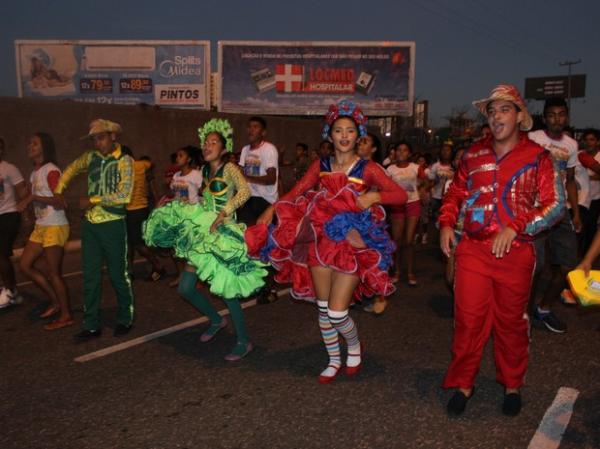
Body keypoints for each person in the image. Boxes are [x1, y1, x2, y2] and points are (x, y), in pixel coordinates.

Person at [246, 100, 407, 383]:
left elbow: (400, 195)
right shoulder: (319, 165)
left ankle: (354, 346)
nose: (344, 136)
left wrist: (374, 196)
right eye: (338, 131)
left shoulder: (367, 168)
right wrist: (273, 207)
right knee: (323, 309)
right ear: (329, 135)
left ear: (358, 135)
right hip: (319, 241)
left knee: (337, 310)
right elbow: (298, 190)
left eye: (350, 131)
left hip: (351, 243)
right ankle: (333, 359)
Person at [439, 85, 564, 416]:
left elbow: (556, 206)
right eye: (492, 111)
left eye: (504, 110)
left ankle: (512, 384)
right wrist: (447, 223)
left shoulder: (539, 157)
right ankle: (464, 383)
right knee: (467, 320)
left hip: (516, 252)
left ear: (521, 116)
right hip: (473, 251)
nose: (496, 116)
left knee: (511, 322)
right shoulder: (472, 155)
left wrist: (516, 227)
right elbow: (454, 194)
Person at [144, 119, 267, 360]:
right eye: (205, 142)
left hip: (224, 235)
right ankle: (215, 320)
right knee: (186, 288)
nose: (208, 145)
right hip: (204, 232)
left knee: (227, 292)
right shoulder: (204, 173)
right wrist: (170, 205)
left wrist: (224, 213)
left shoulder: (229, 168)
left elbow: (244, 192)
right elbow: (201, 201)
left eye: (214, 142)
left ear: (223, 148)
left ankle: (244, 341)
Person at [54, 119, 135, 341]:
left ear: (113, 136)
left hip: (113, 224)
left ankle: (125, 318)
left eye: (101, 137)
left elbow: (124, 196)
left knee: (119, 276)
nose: (97, 143)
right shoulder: (90, 158)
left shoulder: (125, 161)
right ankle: (91, 325)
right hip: (91, 225)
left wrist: (92, 199)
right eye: (94, 139)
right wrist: (59, 189)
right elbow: (71, 169)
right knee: (90, 277)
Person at [528, 97, 580, 333]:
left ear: (566, 117)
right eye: (552, 114)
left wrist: (575, 212)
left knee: (568, 265)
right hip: (536, 209)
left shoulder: (571, 144)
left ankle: (545, 308)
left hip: (561, 210)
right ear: (544, 117)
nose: (556, 119)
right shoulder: (533, 139)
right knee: (535, 266)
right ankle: (525, 311)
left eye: (561, 114)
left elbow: (570, 180)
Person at [16, 132, 73, 329]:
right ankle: (55, 301)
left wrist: (32, 198)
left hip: (55, 224)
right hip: (41, 225)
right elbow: (33, 199)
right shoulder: (34, 172)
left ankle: (66, 315)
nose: (29, 147)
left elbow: (60, 202)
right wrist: (29, 214)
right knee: (24, 265)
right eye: (29, 143)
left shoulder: (52, 171)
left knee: (53, 272)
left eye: (34, 144)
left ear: (44, 148)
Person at [237, 116, 279, 304]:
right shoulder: (245, 150)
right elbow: (237, 176)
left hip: (265, 201)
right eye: (249, 126)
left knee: (263, 247)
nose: (251, 130)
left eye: (255, 127)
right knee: (245, 243)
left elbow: (271, 179)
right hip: (248, 200)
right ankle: (252, 285)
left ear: (263, 132)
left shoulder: (268, 149)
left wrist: (245, 177)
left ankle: (268, 287)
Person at [387, 142, 427, 287]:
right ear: (395, 152)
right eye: (399, 150)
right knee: (397, 241)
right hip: (397, 205)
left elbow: (424, 181)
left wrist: (422, 190)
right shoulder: (390, 169)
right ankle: (397, 271)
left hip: (413, 204)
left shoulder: (416, 167)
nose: (401, 153)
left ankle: (410, 272)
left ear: (409, 153)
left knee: (409, 241)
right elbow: (385, 186)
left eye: (405, 150)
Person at [122, 150, 165, 281]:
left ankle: (158, 266)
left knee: (139, 245)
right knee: (129, 243)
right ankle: (129, 271)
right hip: (134, 210)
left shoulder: (125, 168)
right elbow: (151, 163)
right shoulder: (141, 165)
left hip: (136, 211)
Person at [0, 137, 27, 308]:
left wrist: (27, 215)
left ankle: (10, 291)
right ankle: (13, 292)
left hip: (9, 215)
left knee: (1, 253)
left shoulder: (9, 168)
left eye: (0, 148)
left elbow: (23, 192)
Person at [428, 142, 454, 226]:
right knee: (435, 221)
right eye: (443, 150)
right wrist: (436, 181)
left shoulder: (454, 165)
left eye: (448, 150)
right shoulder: (435, 166)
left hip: (450, 197)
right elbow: (429, 183)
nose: (445, 152)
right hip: (436, 197)